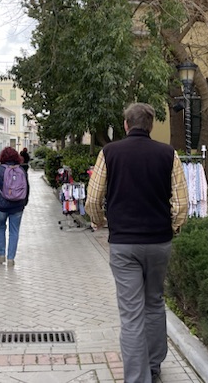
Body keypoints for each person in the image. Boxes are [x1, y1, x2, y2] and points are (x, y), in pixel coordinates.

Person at [85, 103, 189, 383]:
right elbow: (181, 203)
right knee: (154, 302)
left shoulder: (109, 153)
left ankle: (137, 378)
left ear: (126, 125)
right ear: (151, 125)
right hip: (159, 242)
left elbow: (93, 198)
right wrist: (173, 227)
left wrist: (99, 220)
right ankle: (154, 366)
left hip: (124, 244)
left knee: (131, 314)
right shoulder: (168, 154)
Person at [0, 146, 29, 267]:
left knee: (0, 227)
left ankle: (1, 255)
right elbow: (27, 187)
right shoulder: (21, 170)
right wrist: (24, 202)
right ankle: (11, 258)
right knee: (14, 231)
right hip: (18, 206)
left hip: (1, 205)